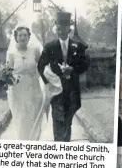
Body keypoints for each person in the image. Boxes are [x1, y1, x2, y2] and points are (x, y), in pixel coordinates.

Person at [38, 11, 89, 142]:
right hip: (56, 91)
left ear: (69, 29)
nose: (59, 31)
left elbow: (85, 64)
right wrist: (49, 83)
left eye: (62, 28)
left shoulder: (78, 46)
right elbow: (41, 66)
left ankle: (65, 148)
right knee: (58, 121)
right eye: (58, 28)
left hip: (72, 90)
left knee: (67, 122)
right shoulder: (49, 47)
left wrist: (72, 69)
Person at [6, 26, 43, 140]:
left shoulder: (35, 50)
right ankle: (23, 142)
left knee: (33, 116)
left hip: (33, 88)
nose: (22, 37)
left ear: (28, 37)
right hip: (18, 90)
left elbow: (42, 66)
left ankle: (34, 142)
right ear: (16, 38)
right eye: (20, 35)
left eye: (25, 35)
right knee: (21, 118)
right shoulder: (11, 53)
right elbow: (8, 72)